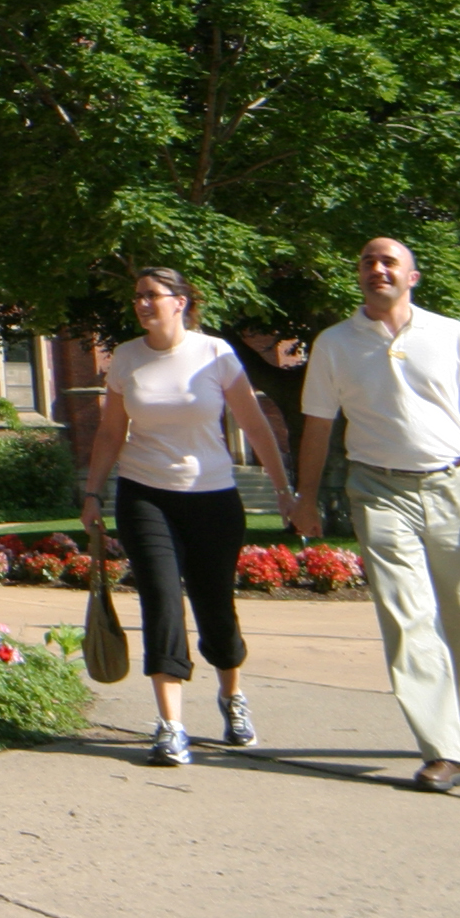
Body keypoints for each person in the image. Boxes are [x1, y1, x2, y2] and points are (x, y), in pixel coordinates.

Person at [290, 237, 460, 793]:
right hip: (378, 490)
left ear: (413, 277)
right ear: (358, 275)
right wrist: (305, 497)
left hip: (455, 487)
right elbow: (317, 426)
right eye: (367, 261)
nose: (376, 268)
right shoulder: (334, 344)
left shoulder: (450, 334)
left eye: (389, 262)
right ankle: (443, 748)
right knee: (406, 618)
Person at [81, 268, 302, 768]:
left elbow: (254, 424)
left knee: (215, 607)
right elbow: (111, 433)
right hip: (145, 495)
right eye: (137, 296)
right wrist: (93, 493)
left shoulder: (216, 354)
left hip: (212, 496)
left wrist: (283, 488)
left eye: (152, 296)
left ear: (180, 302)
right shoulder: (127, 358)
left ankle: (231, 695)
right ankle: (171, 725)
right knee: (160, 600)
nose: (141, 304)